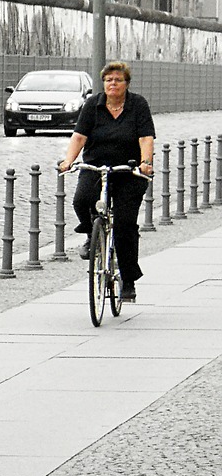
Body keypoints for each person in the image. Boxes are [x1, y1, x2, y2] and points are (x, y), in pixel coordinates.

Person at [57, 61, 155, 301]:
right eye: (109, 80)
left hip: (128, 171)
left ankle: (129, 281)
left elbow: (145, 137)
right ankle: (92, 233)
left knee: (124, 226)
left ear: (126, 84)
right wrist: (68, 161)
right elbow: (79, 136)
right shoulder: (93, 104)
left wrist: (145, 162)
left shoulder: (138, 105)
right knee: (81, 200)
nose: (113, 83)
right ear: (103, 83)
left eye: (118, 80)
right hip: (96, 166)